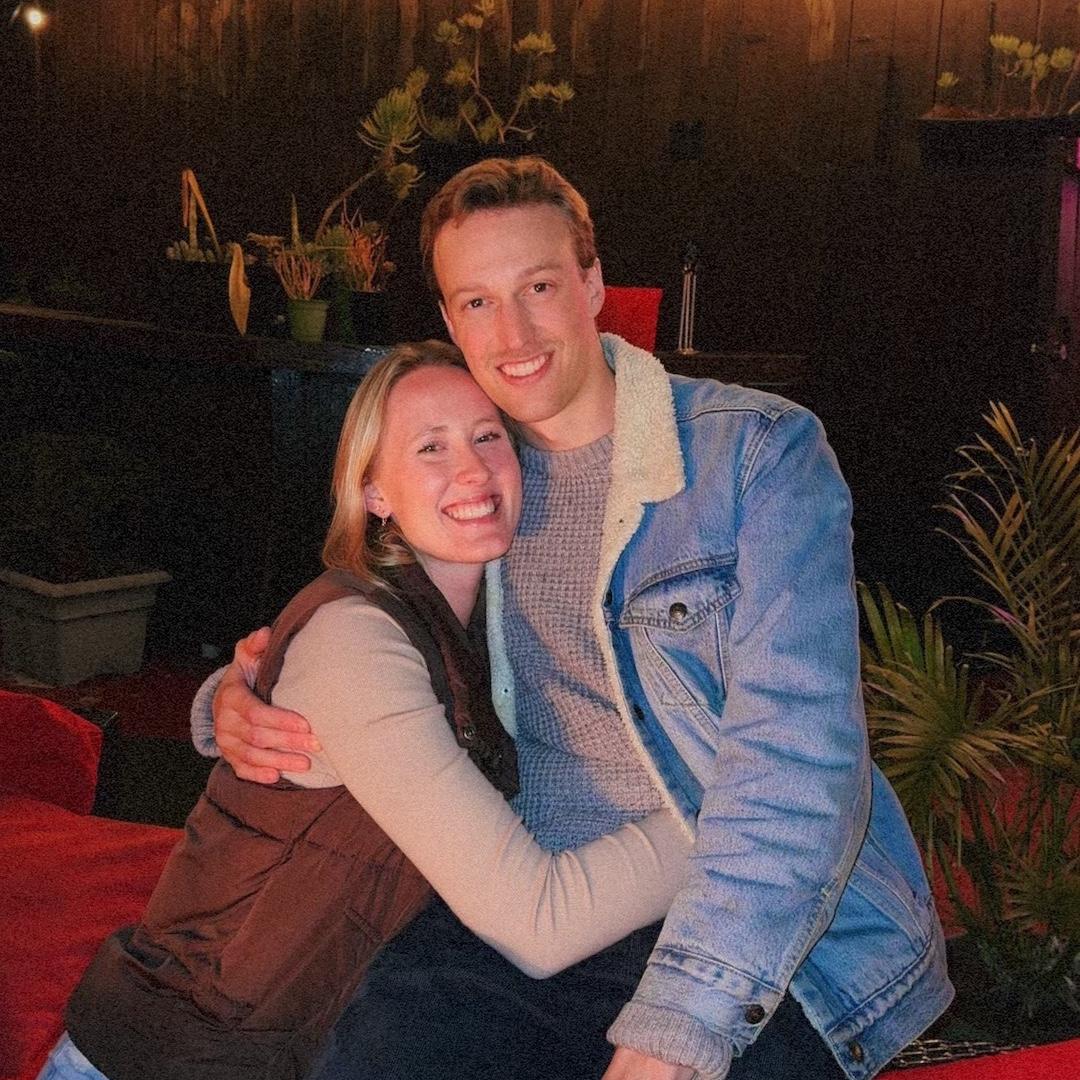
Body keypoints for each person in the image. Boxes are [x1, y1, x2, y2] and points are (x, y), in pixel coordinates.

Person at [196, 158, 954, 1080]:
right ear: (449, 322)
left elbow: (797, 762)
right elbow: (378, 621)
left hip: (747, 922)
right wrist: (238, 698)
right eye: (477, 302)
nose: (512, 332)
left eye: (540, 287)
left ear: (594, 285)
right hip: (538, 893)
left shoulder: (753, 455)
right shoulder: (479, 475)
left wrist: (682, 1018)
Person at [38, 341, 691, 1080]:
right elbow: (539, 923)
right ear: (374, 491)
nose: (472, 469)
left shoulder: (485, 622)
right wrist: (731, 817)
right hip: (160, 1054)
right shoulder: (358, 637)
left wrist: (223, 696)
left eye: (487, 436)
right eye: (430, 447)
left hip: (273, 1051)